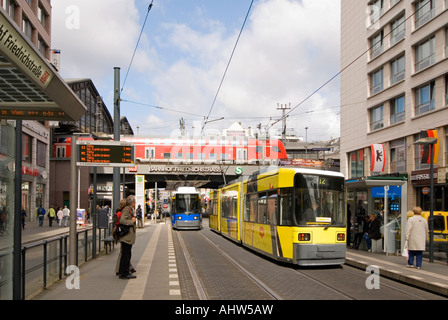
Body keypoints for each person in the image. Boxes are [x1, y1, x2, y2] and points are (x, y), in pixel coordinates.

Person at [118, 195, 137, 279]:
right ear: (131, 202)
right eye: (134, 202)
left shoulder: (129, 209)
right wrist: (131, 222)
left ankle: (125, 271)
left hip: (128, 237)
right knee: (126, 254)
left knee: (127, 254)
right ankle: (124, 273)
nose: (135, 203)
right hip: (126, 237)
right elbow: (122, 220)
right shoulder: (126, 210)